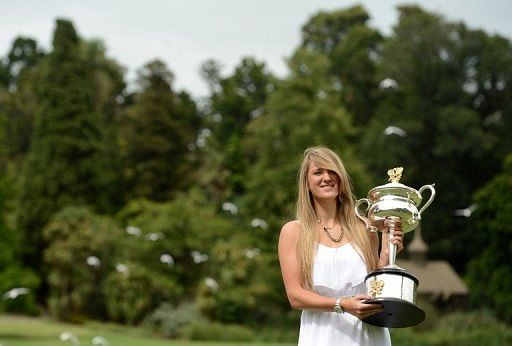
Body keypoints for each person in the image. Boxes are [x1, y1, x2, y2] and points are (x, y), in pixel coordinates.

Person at [278, 147, 404, 345]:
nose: (327, 177)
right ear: (307, 183)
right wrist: (341, 305)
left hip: (368, 334)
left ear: (341, 178)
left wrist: (387, 254)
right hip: (321, 335)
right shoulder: (293, 232)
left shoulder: (365, 227)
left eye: (332, 171)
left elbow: (375, 286)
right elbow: (296, 296)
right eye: (318, 172)